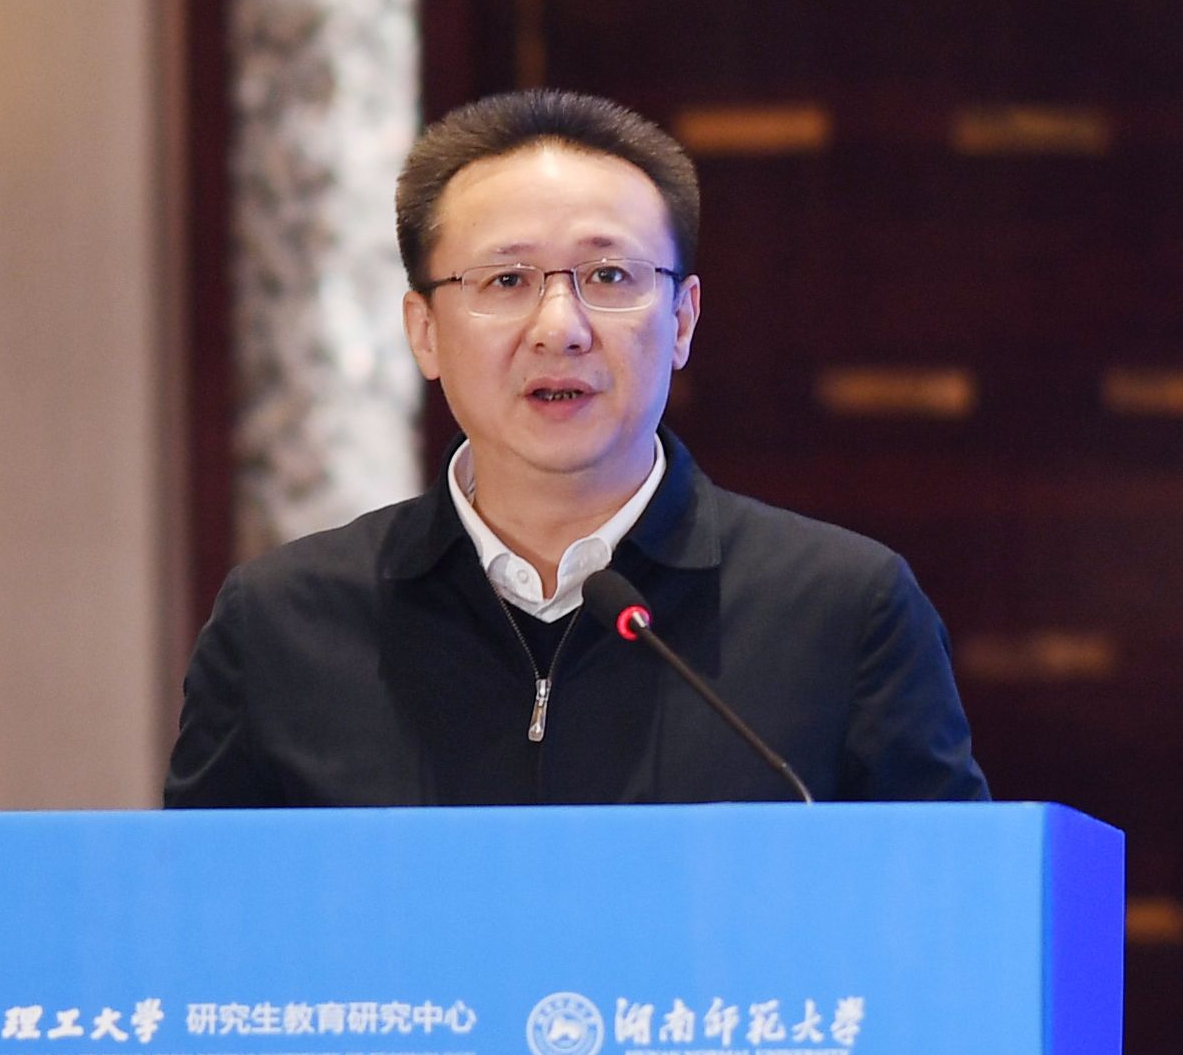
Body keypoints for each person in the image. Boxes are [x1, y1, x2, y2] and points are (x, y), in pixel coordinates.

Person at [166, 89, 988, 806]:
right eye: (506, 281)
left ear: (683, 321)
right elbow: (197, 915)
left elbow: (952, 910)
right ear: (424, 332)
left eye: (609, 277)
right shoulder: (283, 625)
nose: (560, 328)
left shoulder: (843, 612)